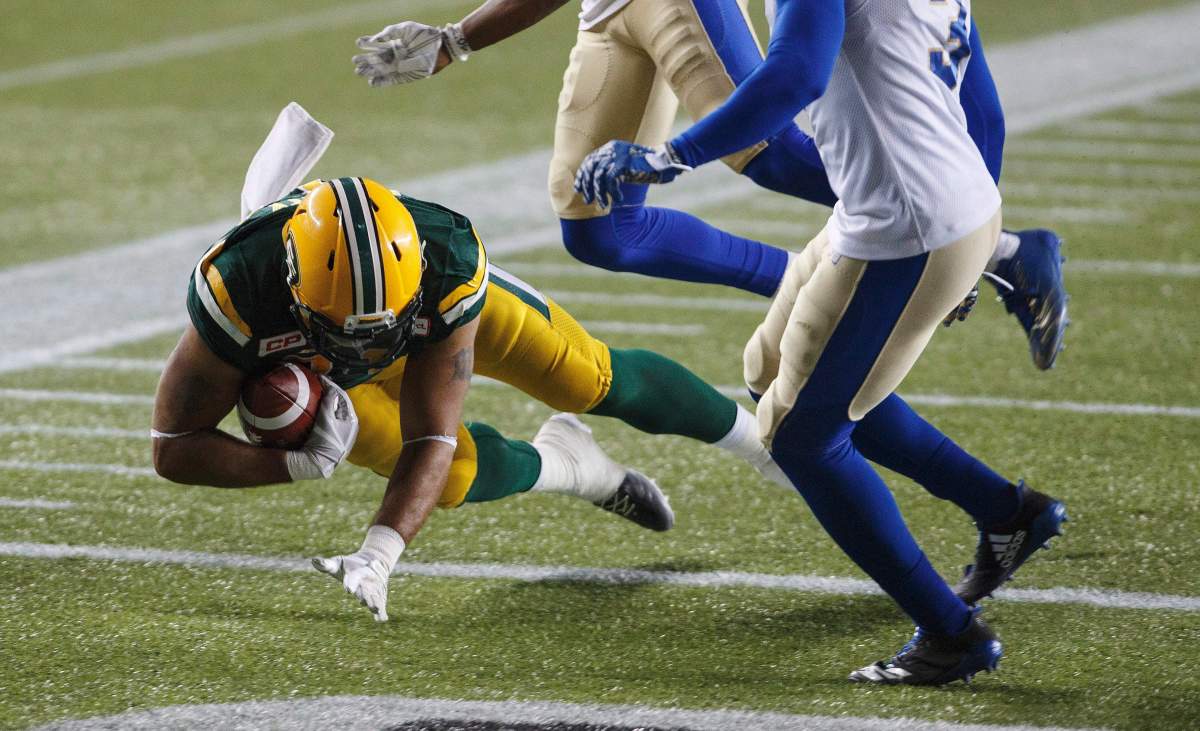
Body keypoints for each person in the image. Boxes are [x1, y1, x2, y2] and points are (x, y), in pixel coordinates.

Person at [574, 0, 1068, 684]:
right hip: (919, 213)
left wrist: (671, 156)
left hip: (903, 231)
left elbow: (797, 76)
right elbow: (981, 103)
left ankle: (950, 633)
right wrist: (980, 227)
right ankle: (1006, 511)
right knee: (769, 367)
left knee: (802, 436)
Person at [151, 177, 785, 622]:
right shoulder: (235, 293)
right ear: (292, 289)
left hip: (428, 326)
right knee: (448, 480)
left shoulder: (447, 263)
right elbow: (174, 449)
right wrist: (290, 463)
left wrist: (378, 556)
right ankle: (570, 467)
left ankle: (759, 441)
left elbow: (433, 430)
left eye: (378, 323)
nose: (368, 342)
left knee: (584, 376)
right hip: (328, 381)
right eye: (348, 326)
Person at [349, 0, 1068, 369]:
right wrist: (458, 39)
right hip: (607, 13)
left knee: (770, 154)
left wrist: (462, 39)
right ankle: (803, 281)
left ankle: (996, 249)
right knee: (597, 226)